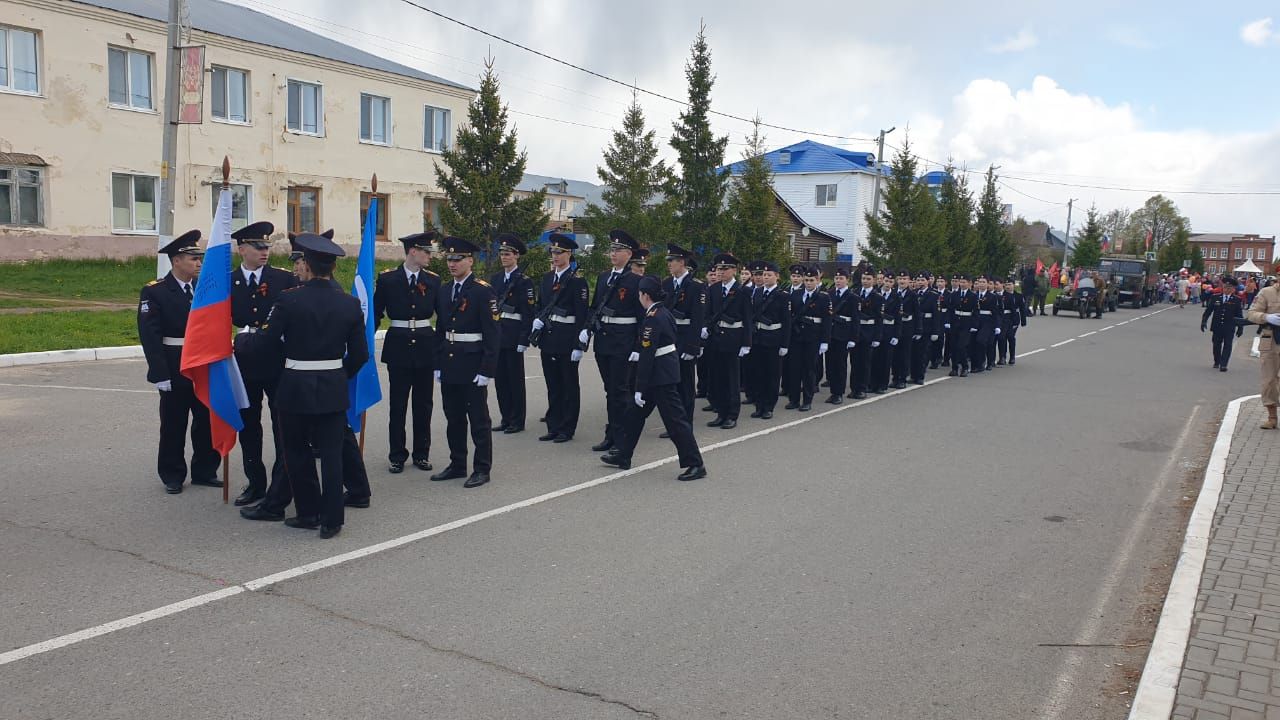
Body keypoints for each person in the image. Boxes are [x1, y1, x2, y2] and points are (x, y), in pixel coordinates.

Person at [240, 235, 373, 522]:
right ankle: (333, 518)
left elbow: (266, 342)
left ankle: (309, 513)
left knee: (297, 451)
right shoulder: (349, 304)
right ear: (333, 269)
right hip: (333, 387)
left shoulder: (289, 300)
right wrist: (338, 373)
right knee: (332, 454)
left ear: (308, 267)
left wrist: (239, 341)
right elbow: (361, 354)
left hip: (295, 386)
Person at [137, 230, 221, 495]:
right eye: (193, 258)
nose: (199, 263)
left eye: (200, 258)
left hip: (203, 364)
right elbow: (150, 336)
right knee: (174, 423)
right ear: (176, 261)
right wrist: (160, 373)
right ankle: (172, 474)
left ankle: (205, 470)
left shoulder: (205, 288)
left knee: (206, 420)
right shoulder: (156, 292)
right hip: (174, 364)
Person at [600, 277, 708, 481]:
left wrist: (639, 387)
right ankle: (623, 454)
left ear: (645, 295)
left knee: (676, 422)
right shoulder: (661, 312)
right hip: (659, 373)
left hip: (660, 376)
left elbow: (649, 354)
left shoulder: (653, 317)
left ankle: (695, 463)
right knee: (634, 415)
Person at [228, 220, 297, 506]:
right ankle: (255, 482)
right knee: (248, 424)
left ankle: (283, 483)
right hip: (243, 360)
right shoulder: (227, 282)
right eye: (258, 246)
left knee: (282, 422)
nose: (264, 251)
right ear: (242, 249)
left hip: (276, 359)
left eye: (267, 246)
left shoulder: (283, 279)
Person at [430, 237, 500, 488]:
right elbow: (441, 329)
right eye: (449, 259)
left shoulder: (482, 291)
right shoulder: (445, 290)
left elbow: (492, 333)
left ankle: (482, 468)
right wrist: (437, 363)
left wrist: (487, 370)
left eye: (457, 259)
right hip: (450, 362)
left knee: (478, 419)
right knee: (454, 418)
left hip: (472, 363)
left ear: (470, 261)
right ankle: (457, 463)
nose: (452, 263)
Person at [373, 231, 441, 474]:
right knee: (398, 405)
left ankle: (421, 453)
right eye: (426, 252)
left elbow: (442, 316)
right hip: (399, 346)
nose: (429, 256)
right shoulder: (388, 279)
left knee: (424, 405)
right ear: (413, 251)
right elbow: (376, 312)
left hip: (425, 345)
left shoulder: (433, 280)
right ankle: (397, 454)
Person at [583, 229, 644, 452]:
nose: (613, 253)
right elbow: (594, 308)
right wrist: (586, 329)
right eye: (612, 249)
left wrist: (638, 346)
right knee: (610, 390)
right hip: (604, 341)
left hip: (623, 342)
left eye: (618, 250)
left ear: (629, 254)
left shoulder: (636, 281)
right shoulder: (603, 278)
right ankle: (611, 434)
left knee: (621, 392)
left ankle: (622, 438)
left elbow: (642, 317)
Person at [533, 233, 590, 443]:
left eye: (559, 252)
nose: (555, 256)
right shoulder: (547, 279)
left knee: (568, 385)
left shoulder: (577, 281)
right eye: (553, 252)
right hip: (549, 338)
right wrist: (537, 320)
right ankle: (553, 425)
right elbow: (540, 305)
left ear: (569, 254)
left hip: (567, 339)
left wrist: (579, 345)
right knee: (553, 385)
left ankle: (567, 427)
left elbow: (582, 315)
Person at [490, 233, 536, 435]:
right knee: (500, 379)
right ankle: (506, 417)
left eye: (508, 254)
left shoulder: (524, 282)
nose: (504, 257)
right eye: (502, 253)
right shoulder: (496, 279)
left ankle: (517, 420)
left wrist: (524, 339)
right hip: (499, 334)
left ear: (517, 256)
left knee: (515, 380)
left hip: (514, 334)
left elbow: (528, 313)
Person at [705, 253, 754, 428]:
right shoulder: (713, 289)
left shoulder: (743, 291)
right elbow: (708, 314)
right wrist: (705, 329)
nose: (720, 272)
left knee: (732, 379)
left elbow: (748, 318)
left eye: (724, 269)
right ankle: (721, 412)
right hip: (716, 339)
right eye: (718, 268)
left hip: (734, 339)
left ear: (734, 270)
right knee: (718, 378)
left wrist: (746, 343)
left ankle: (732, 415)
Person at [662, 244, 706, 425]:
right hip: (669, 339)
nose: (669, 264)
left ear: (682, 262)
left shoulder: (696, 287)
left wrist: (692, 346)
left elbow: (698, 319)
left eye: (672, 261)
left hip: (685, 337)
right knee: (670, 384)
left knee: (685, 385)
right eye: (669, 261)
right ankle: (674, 422)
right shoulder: (666, 284)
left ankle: (685, 422)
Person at [784, 265, 832, 410]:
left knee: (809, 370)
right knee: (794, 369)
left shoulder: (824, 297)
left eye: (811, 280)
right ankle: (794, 399)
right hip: (797, 337)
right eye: (806, 280)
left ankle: (807, 400)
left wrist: (825, 341)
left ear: (817, 280)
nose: (808, 283)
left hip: (813, 337)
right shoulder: (795, 294)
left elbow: (827, 321)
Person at [748, 260, 790, 418]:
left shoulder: (783, 296)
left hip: (774, 339)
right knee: (758, 373)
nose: (765, 277)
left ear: (777, 276)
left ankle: (769, 406)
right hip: (758, 338)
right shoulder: (757, 292)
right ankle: (759, 405)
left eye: (768, 275)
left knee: (772, 374)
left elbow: (787, 322)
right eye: (763, 275)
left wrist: (784, 344)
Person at [825, 267, 857, 403]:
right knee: (830, 364)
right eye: (836, 278)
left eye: (841, 278)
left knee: (840, 365)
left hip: (843, 334)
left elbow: (855, 319)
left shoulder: (852, 297)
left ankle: (839, 392)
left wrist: (853, 338)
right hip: (830, 334)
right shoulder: (829, 294)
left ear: (847, 280)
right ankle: (833, 391)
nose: (838, 281)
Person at [1202, 275, 1245, 372]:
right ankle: (1217, 361)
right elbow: (1208, 311)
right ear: (1222, 287)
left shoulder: (1237, 300)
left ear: (1233, 289)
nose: (1226, 289)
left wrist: (1240, 327)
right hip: (1217, 326)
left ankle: (1224, 364)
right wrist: (1204, 321)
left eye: (1229, 288)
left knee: (1228, 345)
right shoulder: (1215, 297)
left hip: (1229, 327)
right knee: (1216, 345)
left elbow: (1239, 315)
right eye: (1225, 287)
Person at [852, 268, 883, 397]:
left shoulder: (877, 297)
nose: (865, 281)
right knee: (854, 362)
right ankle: (854, 388)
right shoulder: (855, 293)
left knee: (865, 362)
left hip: (869, 332)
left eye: (868, 279)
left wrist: (877, 337)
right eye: (864, 278)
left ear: (874, 280)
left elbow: (879, 319)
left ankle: (862, 388)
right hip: (856, 331)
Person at [946, 274, 977, 377]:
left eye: (964, 282)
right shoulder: (954, 294)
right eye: (961, 282)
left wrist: (974, 325)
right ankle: (954, 368)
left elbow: (976, 312)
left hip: (966, 323)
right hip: (955, 322)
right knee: (953, 346)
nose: (962, 284)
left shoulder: (973, 296)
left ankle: (965, 367)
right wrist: (948, 321)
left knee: (961, 346)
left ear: (969, 283)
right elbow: (950, 309)